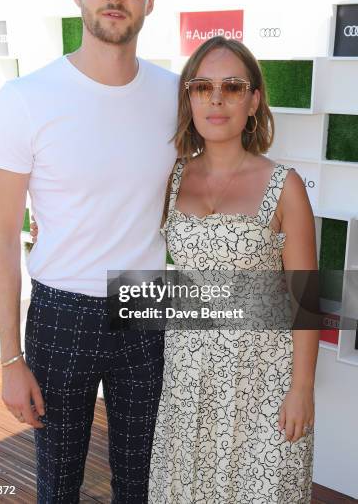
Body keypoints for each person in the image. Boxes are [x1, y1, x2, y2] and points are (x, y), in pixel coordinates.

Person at [0, 0, 178, 504]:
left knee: (140, 482)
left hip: (146, 303)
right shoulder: (24, 100)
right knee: (59, 483)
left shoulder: (177, 95)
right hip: (61, 309)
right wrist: (9, 360)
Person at [147, 36, 319, 503]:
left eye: (233, 86)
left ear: (254, 100)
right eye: (202, 86)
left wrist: (301, 390)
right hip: (187, 376)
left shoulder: (285, 186)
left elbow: (306, 300)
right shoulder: (172, 176)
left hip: (263, 380)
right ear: (189, 98)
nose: (216, 98)